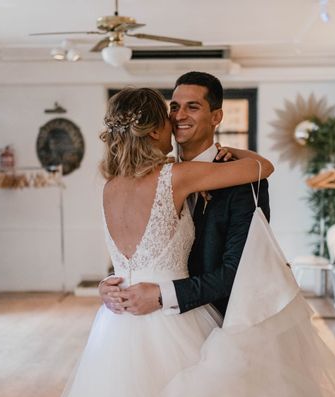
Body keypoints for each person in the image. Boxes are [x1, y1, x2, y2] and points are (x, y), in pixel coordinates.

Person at [34, 87, 276, 397]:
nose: (175, 123)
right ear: (152, 132)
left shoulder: (110, 187)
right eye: (168, 118)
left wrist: (104, 286)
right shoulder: (174, 175)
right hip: (170, 319)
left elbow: (125, 261)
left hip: (116, 323)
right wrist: (240, 153)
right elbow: (262, 168)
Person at [99, 71, 270, 322]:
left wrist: (161, 295)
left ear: (216, 117)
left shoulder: (244, 183)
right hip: (161, 322)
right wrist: (111, 286)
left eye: (192, 107)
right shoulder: (161, 176)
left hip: (225, 323)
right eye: (174, 107)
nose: (179, 116)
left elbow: (239, 271)